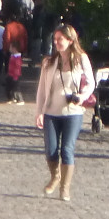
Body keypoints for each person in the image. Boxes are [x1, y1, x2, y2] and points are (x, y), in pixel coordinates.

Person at [34, 23, 94, 201]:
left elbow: (91, 82)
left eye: (60, 39)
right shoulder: (49, 62)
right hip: (52, 111)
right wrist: (39, 111)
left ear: (70, 40)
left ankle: (65, 188)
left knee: (67, 149)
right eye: (55, 39)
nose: (56, 42)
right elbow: (41, 90)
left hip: (73, 112)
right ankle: (55, 176)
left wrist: (82, 96)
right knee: (51, 150)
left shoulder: (81, 58)